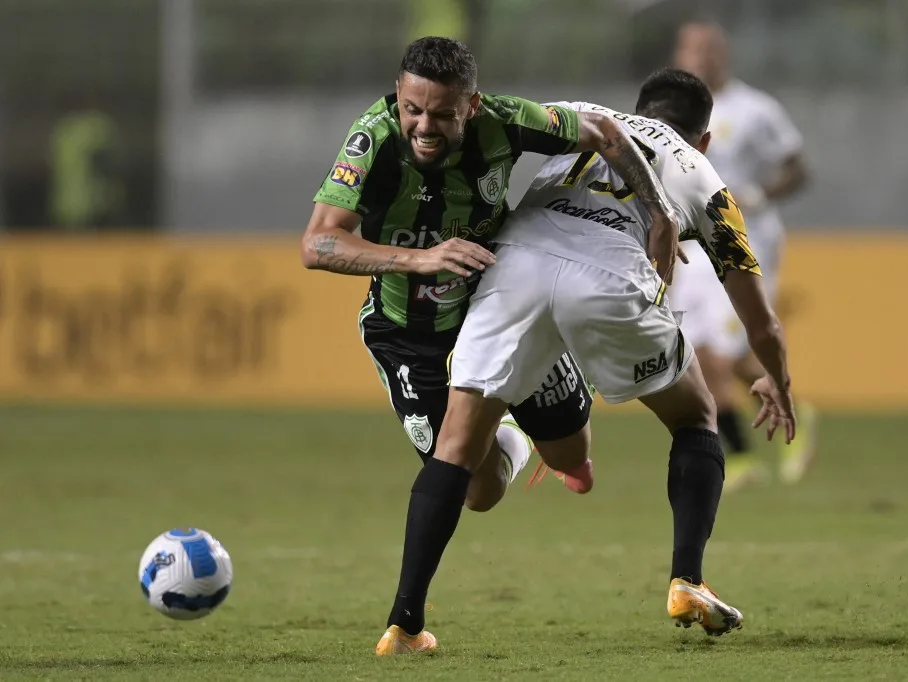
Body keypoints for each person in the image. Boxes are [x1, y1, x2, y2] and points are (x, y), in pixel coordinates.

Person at [389, 68, 797, 651]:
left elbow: (484, 125)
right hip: (609, 279)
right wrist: (778, 381)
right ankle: (688, 580)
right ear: (703, 137)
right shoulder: (705, 176)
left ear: (636, 108)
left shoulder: (579, 113)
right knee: (695, 417)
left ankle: (403, 624)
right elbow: (761, 322)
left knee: (455, 447)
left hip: (513, 268)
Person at [298, 37, 680, 655]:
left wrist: (660, 211)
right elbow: (317, 245)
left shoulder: (505, 120)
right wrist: (420, 259)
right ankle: (503, 439)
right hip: (409, 336)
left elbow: (605, 131)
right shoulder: (371, 140)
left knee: (573, 460)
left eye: (441, 114)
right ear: (398, 95)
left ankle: (529, 430)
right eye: (411, 108)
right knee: (477, 492)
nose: (423, 125)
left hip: (494, 309)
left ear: (470, 107)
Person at [672, 21, 815, 491]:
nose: (703, 59)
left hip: (746, 239)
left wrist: (758, 193)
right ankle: (738, 457)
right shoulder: (671, 110)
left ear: (724, 54)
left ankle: (792, 406)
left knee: (734, 350)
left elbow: (798, 170)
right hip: (694, 241)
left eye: (710, 49)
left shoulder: (756, 109)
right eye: (693, 51)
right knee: (700, 352)